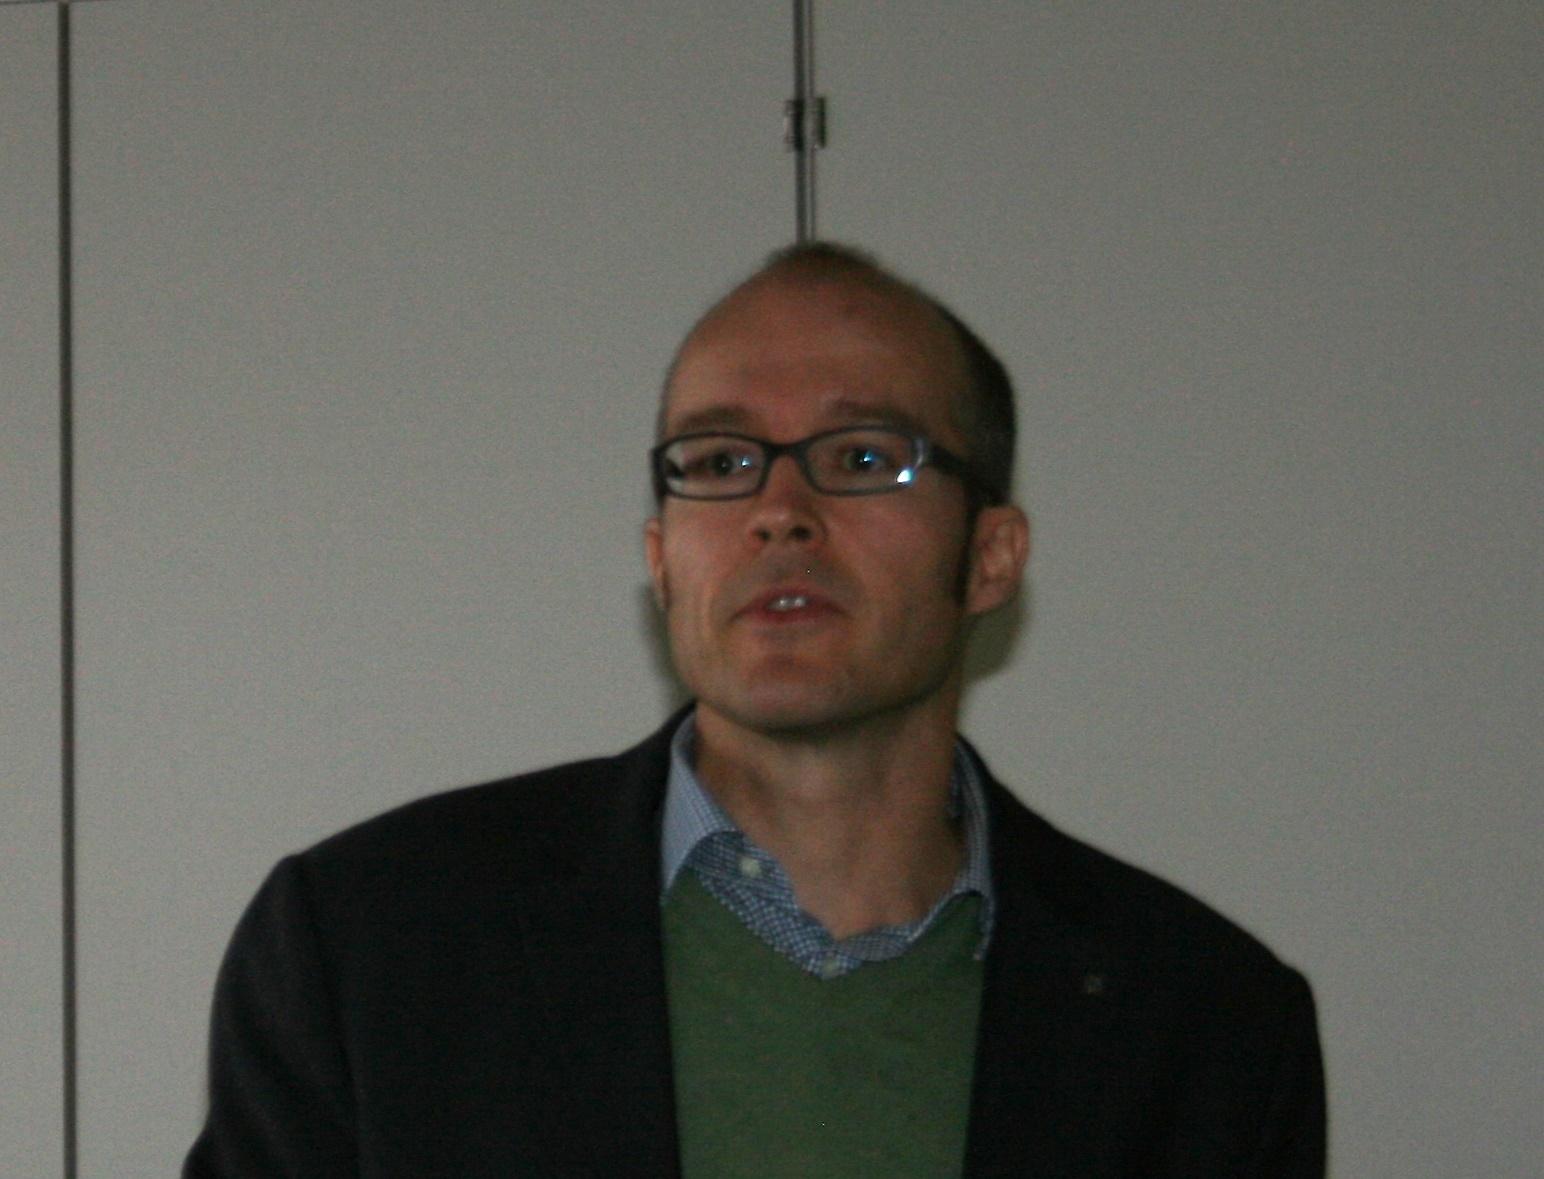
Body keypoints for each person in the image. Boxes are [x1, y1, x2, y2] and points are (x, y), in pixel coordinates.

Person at [185, 243, 1325, 1177]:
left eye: (862, 457)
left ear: (990, 556)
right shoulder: (370, 948)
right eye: (721, 462)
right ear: (661, 559)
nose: (779, 511)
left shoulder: (1209, 1025)